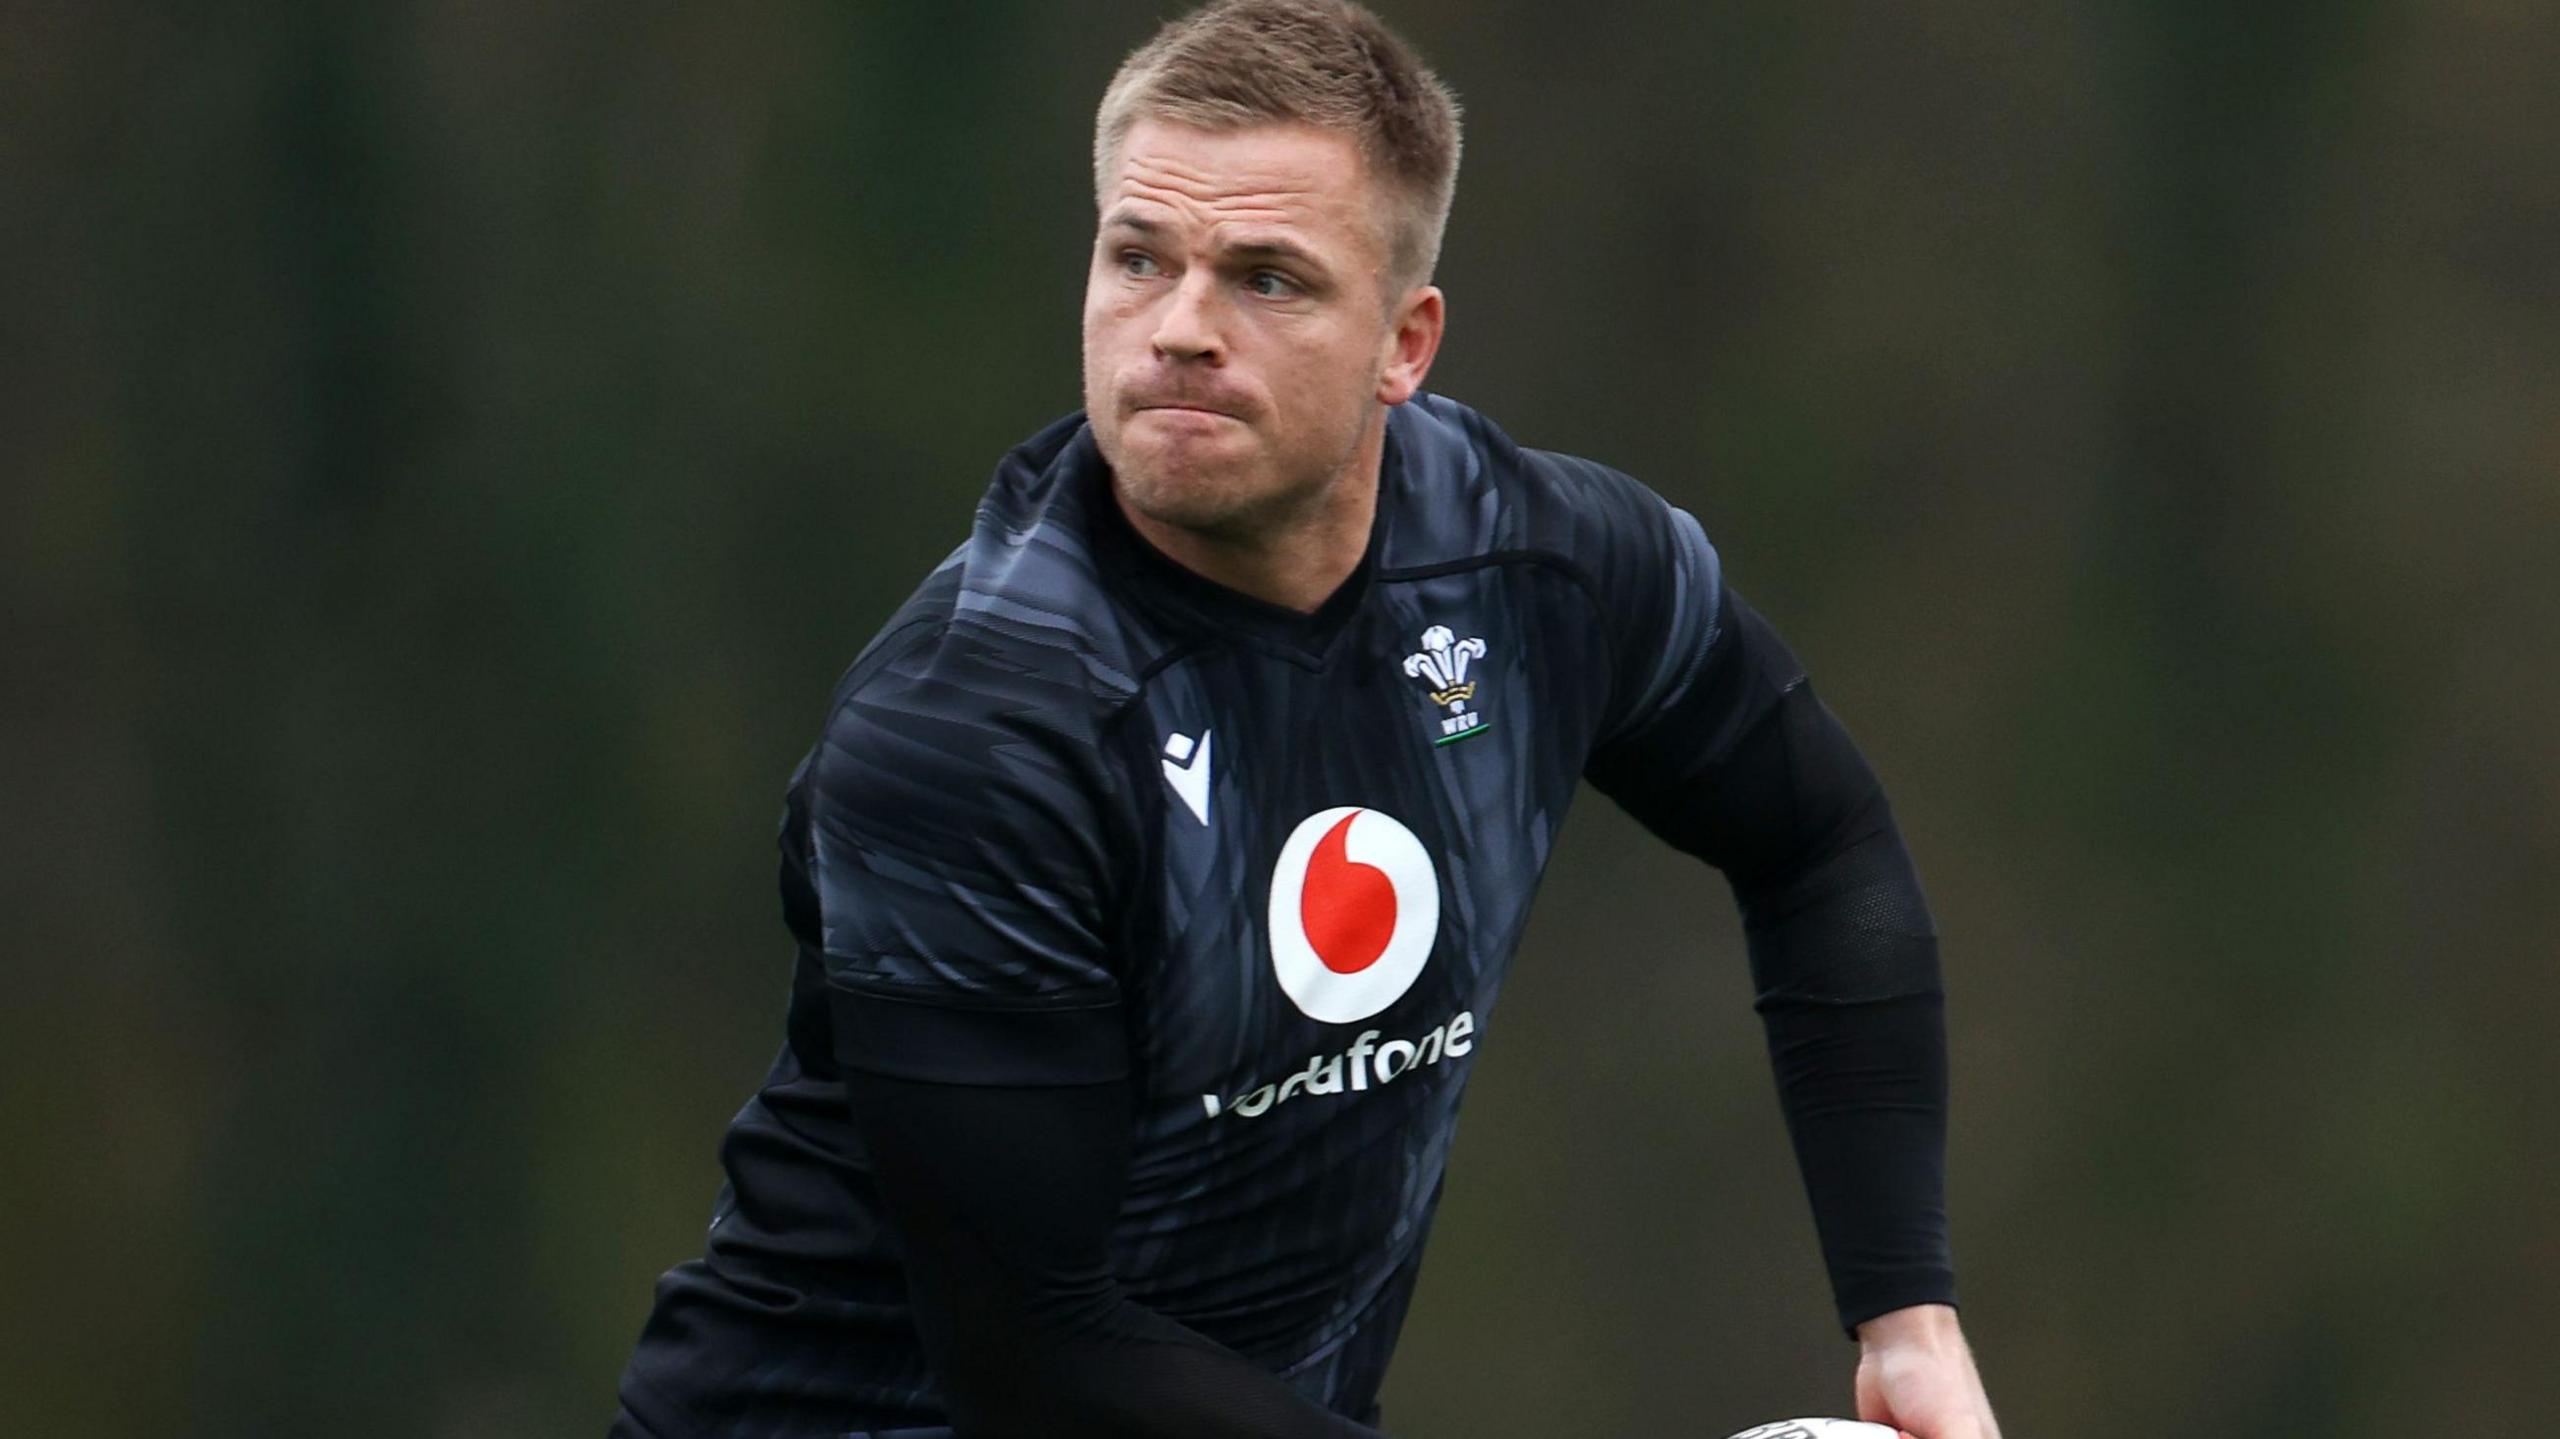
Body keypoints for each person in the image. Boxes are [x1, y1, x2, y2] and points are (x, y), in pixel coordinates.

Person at [610, 2, 2002, 1436]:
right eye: (1138, 258)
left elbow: (1820, 846)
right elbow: (1036, 1357)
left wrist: (1907, 1315)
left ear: (1406, 343)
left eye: (1266, 279)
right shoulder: (979, 728)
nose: (1180, 329)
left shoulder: (1538, 572)